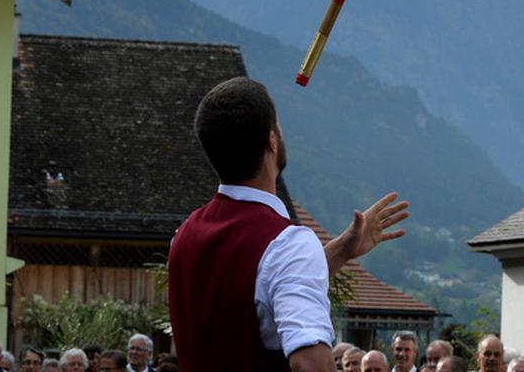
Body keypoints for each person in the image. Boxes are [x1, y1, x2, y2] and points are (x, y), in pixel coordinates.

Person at [168, 77, 408, 372]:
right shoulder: (288, 243)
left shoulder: (183, 236)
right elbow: (311, 365)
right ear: (272, 139)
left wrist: (342, 249)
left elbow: (254, 290)